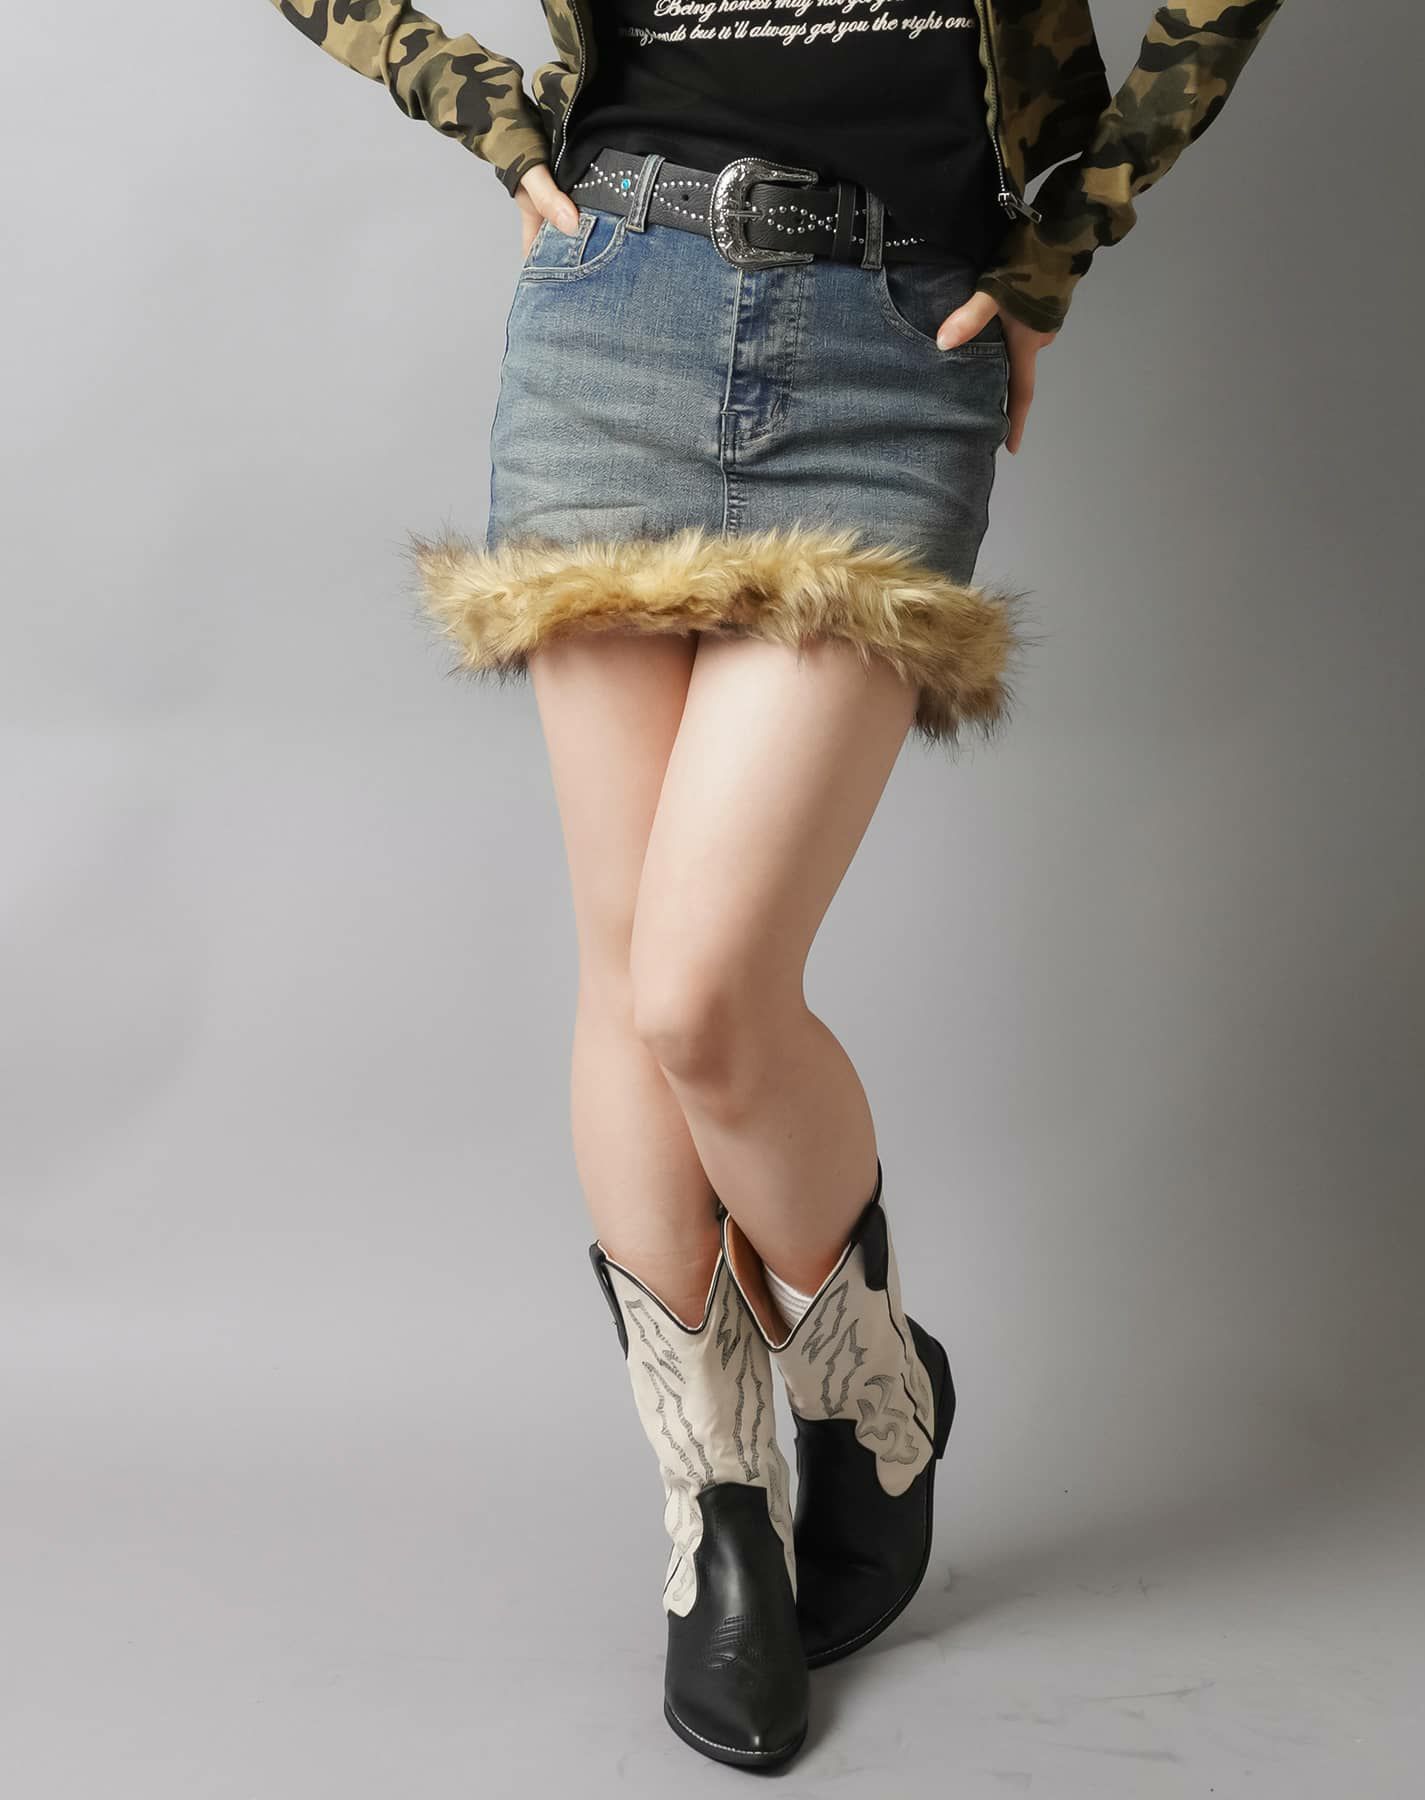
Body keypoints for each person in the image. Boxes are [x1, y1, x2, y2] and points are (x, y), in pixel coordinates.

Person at [264, 0, 1286, 1770]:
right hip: (617, 309)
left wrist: (1072, 221)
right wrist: (478, 105)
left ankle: (871, 1387)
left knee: (703, 990)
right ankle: (718, 1504)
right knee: (624, 968)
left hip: (892, 331)